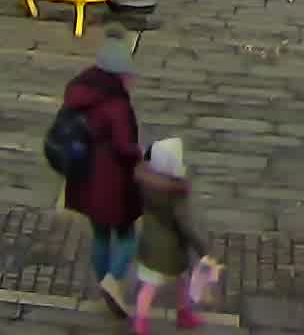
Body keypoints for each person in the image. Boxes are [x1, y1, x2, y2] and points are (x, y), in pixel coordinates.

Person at [59, 36, 146, 296]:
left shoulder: (79, 91)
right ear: (118, 74)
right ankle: (112, 280)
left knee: (100, 236)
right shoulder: (116, 104)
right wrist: (141, 154)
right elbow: (123, 146)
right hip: (112, 182)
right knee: (128, 237)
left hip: (84, 177)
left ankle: (103, 282)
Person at [123, 137, 217, 332]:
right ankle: (183, 315)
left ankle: (141, 323)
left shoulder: (143, 184)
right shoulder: (175, 194)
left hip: (149, 244)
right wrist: (202, 250)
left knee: (149, 287)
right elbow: (185, 225)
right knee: (181, 283)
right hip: (172, 250)